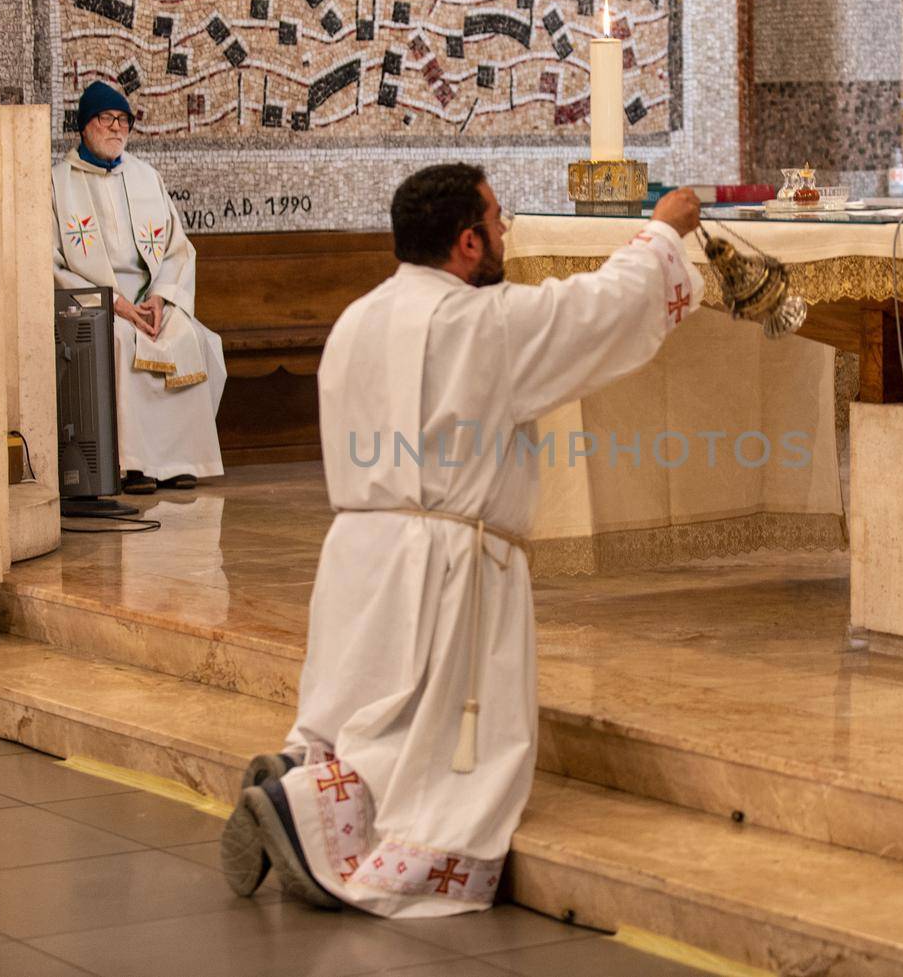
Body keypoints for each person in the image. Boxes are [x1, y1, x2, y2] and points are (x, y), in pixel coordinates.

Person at [220, 164, 703, 917]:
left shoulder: (358, 318)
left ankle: (300, 772)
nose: (507, 230)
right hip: (447, 561)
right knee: (439, 756)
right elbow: (599, 309)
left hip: (357, 553)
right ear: (469, 241)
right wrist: (662, 233)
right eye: (498, 218)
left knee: (369, 707)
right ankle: (311, 818)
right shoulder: (479, 323)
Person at [51, 80, 227, 494]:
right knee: (117, 340)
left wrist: (162, 299)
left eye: (124, 121)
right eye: (107, 119)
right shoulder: (59, 183)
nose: (117, 128)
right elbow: (52, 261)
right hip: (100, 303)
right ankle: (133, 466)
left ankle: (178, 461)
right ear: (84, 126)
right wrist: (116, 304)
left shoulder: (147, 177)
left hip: (149, 299)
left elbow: (177, 249)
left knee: (189, 336)